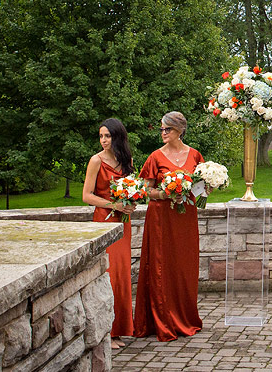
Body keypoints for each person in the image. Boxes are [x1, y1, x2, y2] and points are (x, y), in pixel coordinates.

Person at [133, 111, 205, 341]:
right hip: (161, 219)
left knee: (184, 266)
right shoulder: (155, 157)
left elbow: (201, 188)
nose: (163, 133)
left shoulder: (194, 155)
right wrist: (166, 194)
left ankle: (186, 316)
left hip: (185, 220)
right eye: (162, 129)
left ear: (180, 131)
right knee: (161, 266)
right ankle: (162, 319)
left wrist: (205, 189)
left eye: (168, 129)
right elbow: (145, 191)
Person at [81, 118, 138, 350]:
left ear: (118, 137)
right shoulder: (96, 160)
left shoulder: (127, 160)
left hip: (123, 222)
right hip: (104, 221)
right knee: (110, 273)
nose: (104, 140)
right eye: (101, 136)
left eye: (108, 136)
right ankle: (108, 331)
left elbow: (134, 189)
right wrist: (113, 205)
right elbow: (86, 195)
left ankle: (120, 329)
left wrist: (132, 203)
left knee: (123, 274)